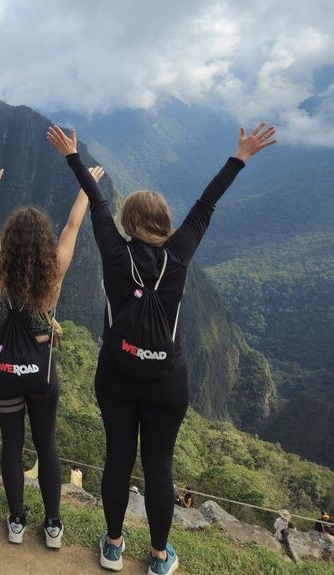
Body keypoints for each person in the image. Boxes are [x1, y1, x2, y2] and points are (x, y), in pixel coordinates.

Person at [49, 120, 277, 575]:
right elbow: (206, 204)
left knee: (118, 458)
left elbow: (98, 202)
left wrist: (73, 157)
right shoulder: (180, 254)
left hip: (116, 375)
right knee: (158, 467)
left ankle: (113, 546)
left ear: (129, 224)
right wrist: (241, 156)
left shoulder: (115, 254)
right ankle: (158, 557)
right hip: (166, 383)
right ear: (165, 224)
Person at [0, 155, 101, 547]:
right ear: (43, 244)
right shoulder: (54, 272)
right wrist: (86, 188)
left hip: (3, 370)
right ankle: (52, 526)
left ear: (12, 240)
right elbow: (73, 225)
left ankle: (16, 521)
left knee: (11, 445)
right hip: (40, 372)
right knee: (46, 443)